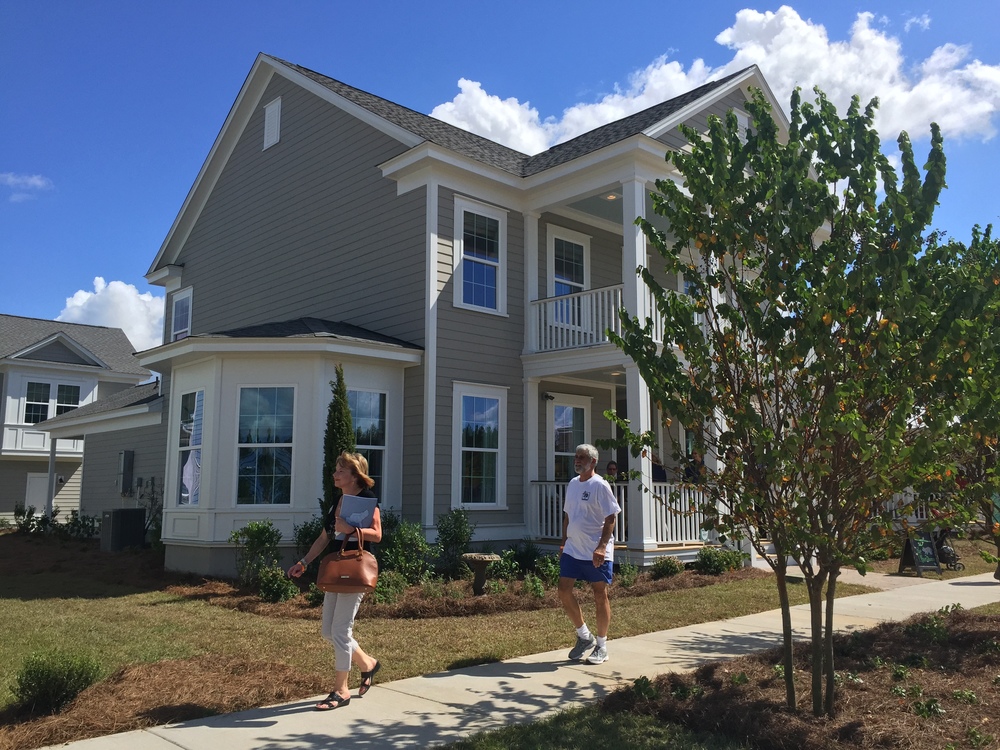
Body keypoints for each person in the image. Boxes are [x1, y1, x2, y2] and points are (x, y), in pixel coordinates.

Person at [289, 452, 383, 710]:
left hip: (355, 570)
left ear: (355, 475)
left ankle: (341, 690)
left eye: (340, 470)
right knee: (328, 631)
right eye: (336, 469)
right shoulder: (337, 502)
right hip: (336, 568)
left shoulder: (366, 500)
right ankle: (368, 664)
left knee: (341, 631)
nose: (335, 474)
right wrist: (304, 563)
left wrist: (352, 530)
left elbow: (376, 535)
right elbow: (324, 537)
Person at [559, 443, 622, 665]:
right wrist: (564, 542)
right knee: (564, 591)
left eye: (581, 457)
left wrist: (602, 546)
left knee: (599, 594)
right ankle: (584, 636)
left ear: (592, 462)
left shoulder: (600, 486)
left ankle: (602, 646)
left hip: (596, 549)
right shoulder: (573, 484)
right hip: (574, 548)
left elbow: (611, 518)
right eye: (576, 457)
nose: (577, 460)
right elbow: (568, 516)